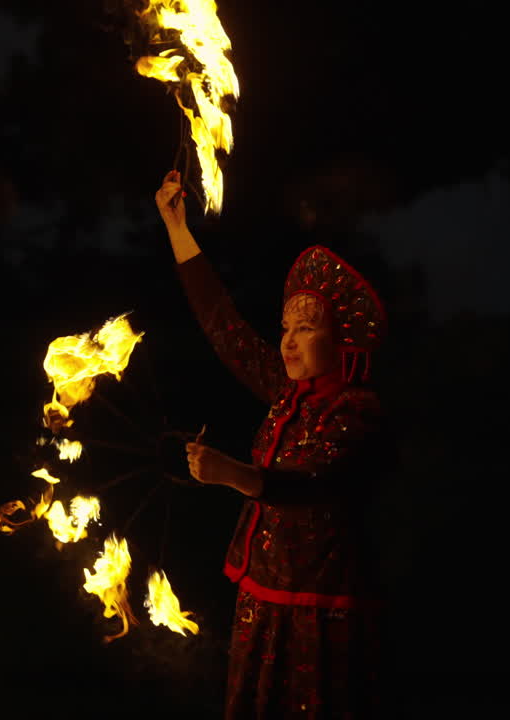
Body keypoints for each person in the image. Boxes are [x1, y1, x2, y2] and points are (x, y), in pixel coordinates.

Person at [155, 170, 387, 718]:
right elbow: (224, 326)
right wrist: (176, 227)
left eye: (305, 329)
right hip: (259, 602)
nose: (288, 339)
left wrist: (233, 474)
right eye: (285, 327)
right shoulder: (287, 393)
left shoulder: (359, 411)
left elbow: (310, 484)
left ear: (340, 341)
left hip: (319, 615)